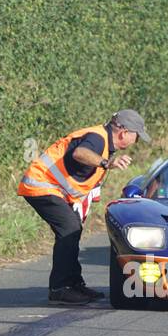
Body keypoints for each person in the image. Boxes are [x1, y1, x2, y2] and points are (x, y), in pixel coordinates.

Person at [18, 109, 149, 304]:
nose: (135, 143)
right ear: (124, 133)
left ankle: (74, 284)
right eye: (136, 137)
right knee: (70, 229)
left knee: (72, 230)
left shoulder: (103, 141)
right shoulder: (98, 138)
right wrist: (107, 163)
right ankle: (60, 289)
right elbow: (80, 153)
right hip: (41, 185)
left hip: (55, 189)